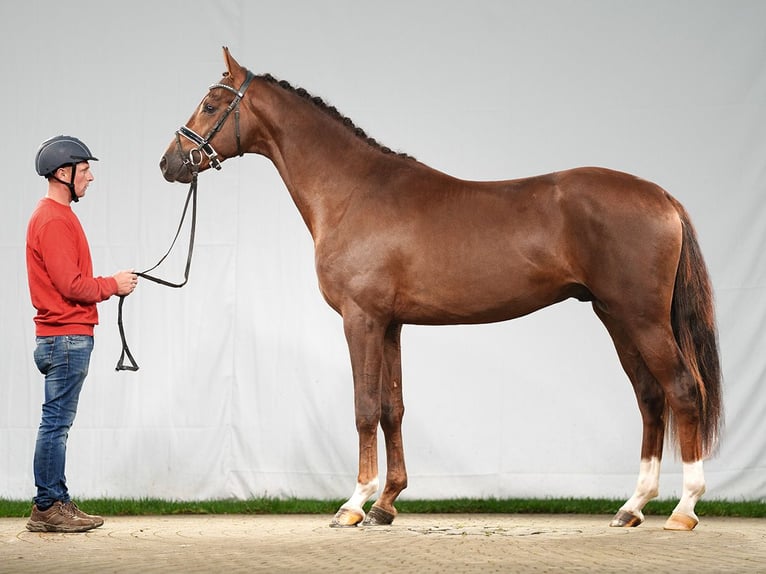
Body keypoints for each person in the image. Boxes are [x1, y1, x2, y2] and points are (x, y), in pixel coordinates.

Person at [25, 135, 138, 532]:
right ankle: (47, 507)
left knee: (56, 423)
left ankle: (56, 500)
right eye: (85, 169)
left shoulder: (59, 216)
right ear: (63, 172)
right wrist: (113, 284)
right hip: (66, 337)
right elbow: (71, 285)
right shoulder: (53, 219)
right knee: (56, 424)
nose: (90, 177)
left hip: (64, 337)